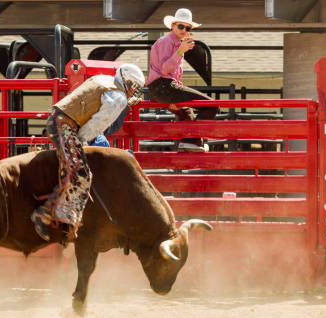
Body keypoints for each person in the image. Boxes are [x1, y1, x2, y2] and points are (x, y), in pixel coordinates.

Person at [31, 63, 145, 241]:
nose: (134, 91)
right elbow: (97, 124)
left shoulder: (104, 80)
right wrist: (81, 140)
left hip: (59, 120)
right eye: (134, 86)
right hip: (66, 127)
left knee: (70, 170)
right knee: (82, 174)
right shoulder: (118, 97)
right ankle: (55, 217)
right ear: (128, 82)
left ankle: (56, 214)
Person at [147, 8, 218, 152]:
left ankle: (190, 143)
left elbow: (170, 75)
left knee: (187, 113)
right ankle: (191, 141)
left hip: (162, 88)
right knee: (212, 105)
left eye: (188, 28)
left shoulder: (176, 44)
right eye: (181, 26)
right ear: (173, 26)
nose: (184, 30)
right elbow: (165, 70)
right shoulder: (167, 42)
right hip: (163, 86)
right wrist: (181, 51)